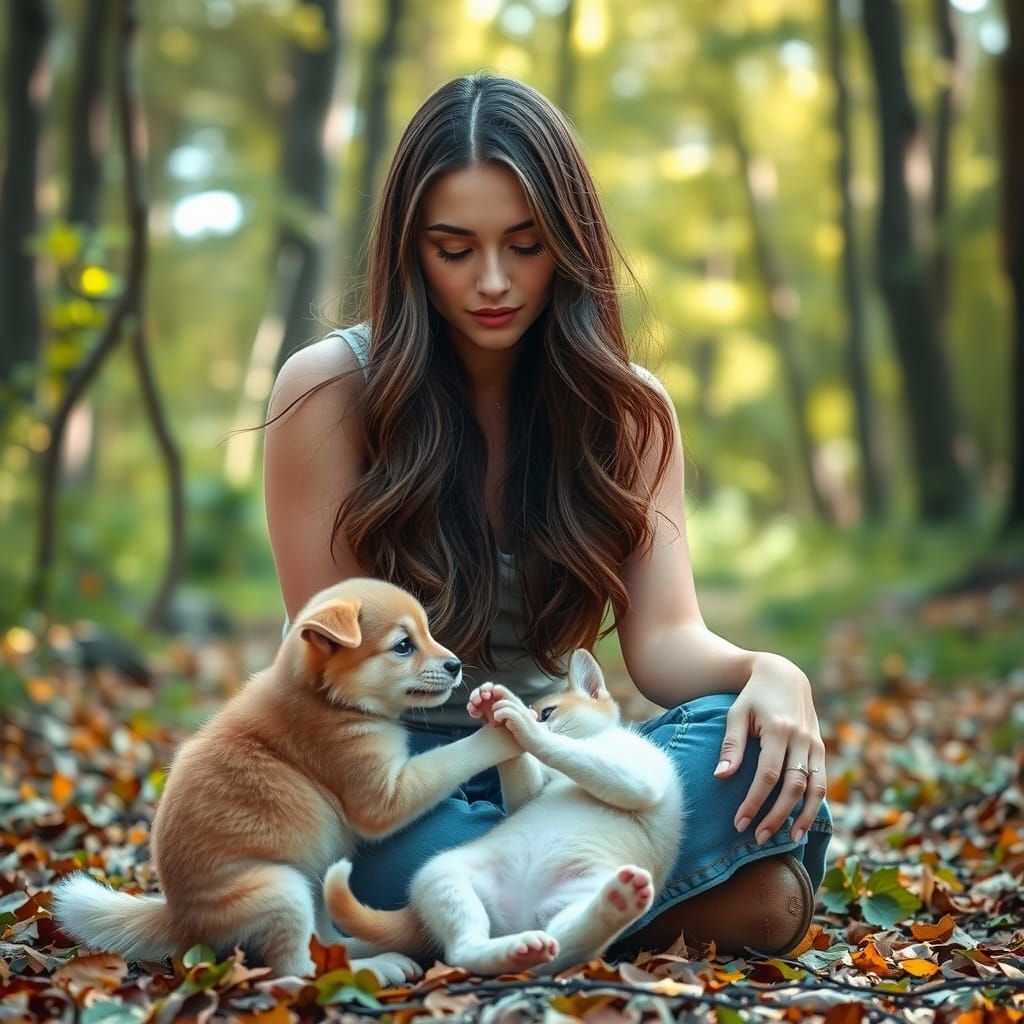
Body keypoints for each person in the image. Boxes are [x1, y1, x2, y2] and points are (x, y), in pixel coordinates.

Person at [263, 73, 832, 957]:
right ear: (410, 251)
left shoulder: (627, 410)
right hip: (395, 789)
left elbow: (668, 644)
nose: (493, 282)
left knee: (745, 740)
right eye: (455, 249)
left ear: (570, 245)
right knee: (765, 909)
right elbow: (334, 690)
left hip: (559, 777)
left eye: (525, 246)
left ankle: (473, 921)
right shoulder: (329, 391)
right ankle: (598, 906)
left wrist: (772, 673)